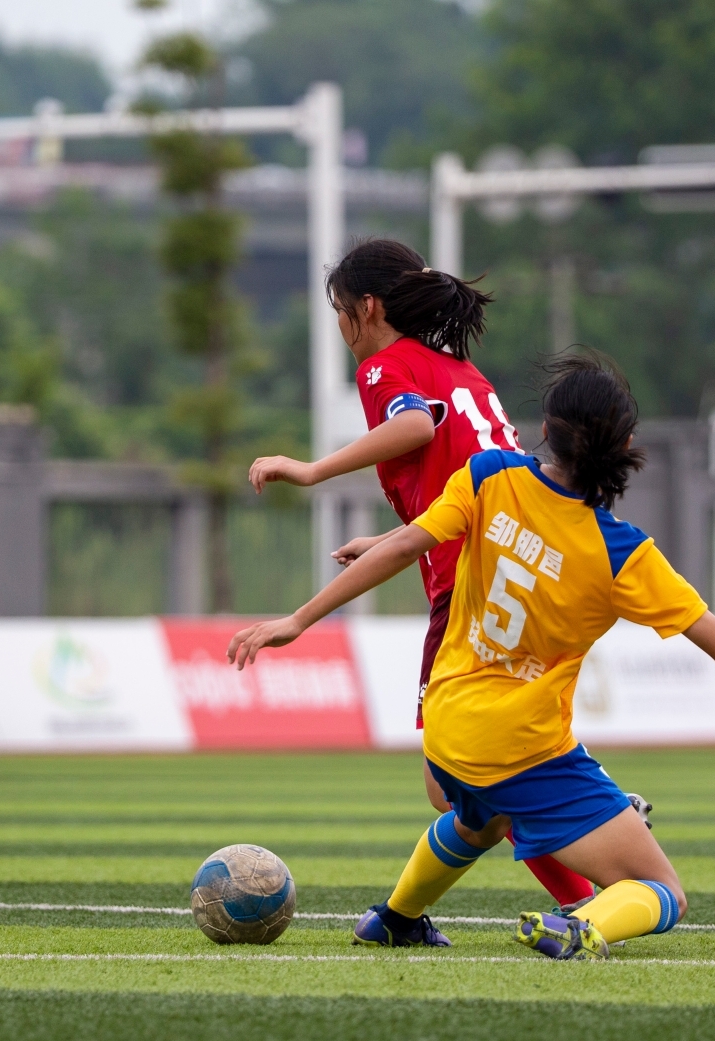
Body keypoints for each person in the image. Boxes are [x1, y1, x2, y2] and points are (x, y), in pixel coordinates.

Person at [228, 351, 715, 957]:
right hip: (523, 747)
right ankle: (583, 923)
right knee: (662, 890)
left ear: (545, 434)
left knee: (480, 815)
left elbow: (411, 541)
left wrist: (297, 618)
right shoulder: (622, 550)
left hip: (445, 723)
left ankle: (395, 918)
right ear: (623, 447)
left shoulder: (488, 474)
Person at [246, 238, 600, 913]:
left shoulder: (386, 368)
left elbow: (412, 428)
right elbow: (481, 479)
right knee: (483, 776)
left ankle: (587, 809)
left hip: (470, 586)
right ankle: (581, 863)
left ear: (367, 308)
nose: (341, 327)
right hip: (526, 568)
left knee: (459, 787)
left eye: (339, 311)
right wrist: (388, 535)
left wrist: (312, 470)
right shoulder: (460, 372)